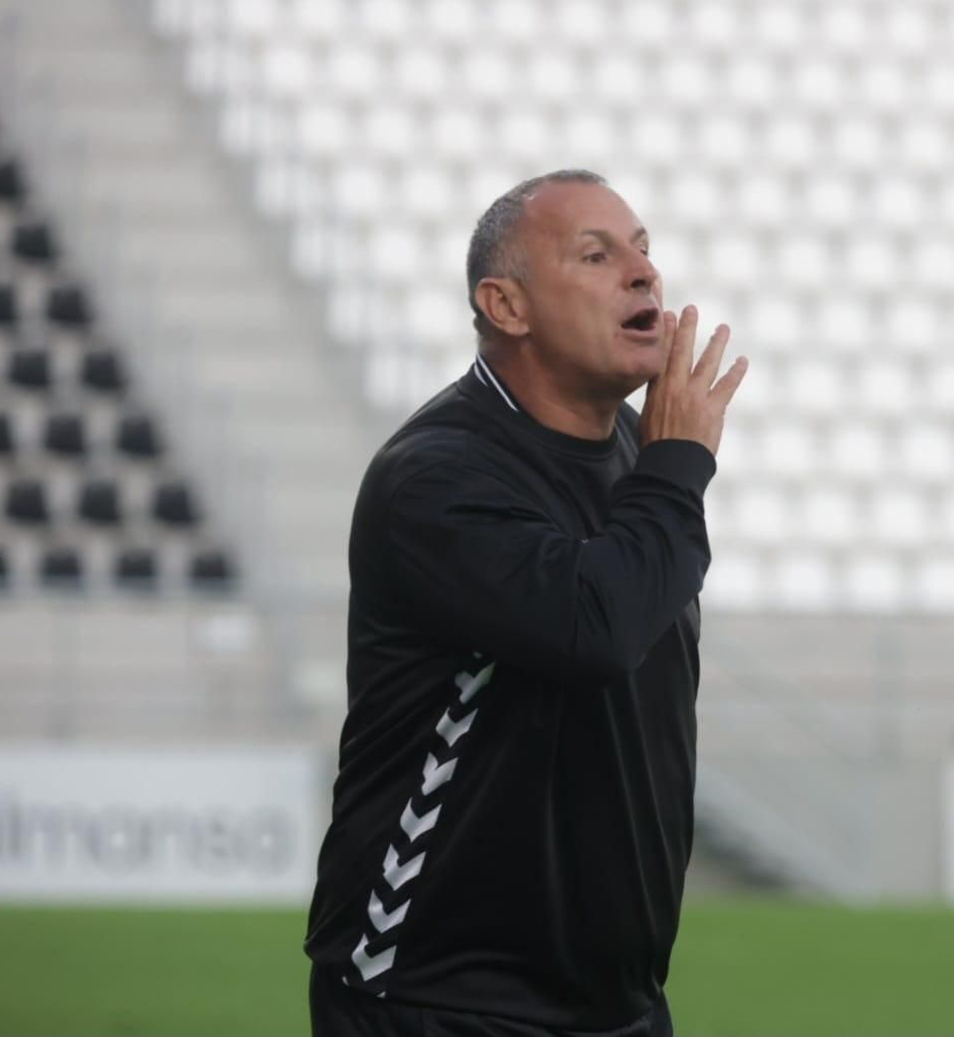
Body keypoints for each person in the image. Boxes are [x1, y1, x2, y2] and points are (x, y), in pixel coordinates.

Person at [303, 169, 748, 1037]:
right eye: (597, 254)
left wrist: (666, 471)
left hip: (616, 1004)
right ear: (506, 307)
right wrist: (680, 470)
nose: (644, 273)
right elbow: (595, 628)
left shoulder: (639, 451)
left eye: (643, 249)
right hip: (439, 996)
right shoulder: (436, 477)